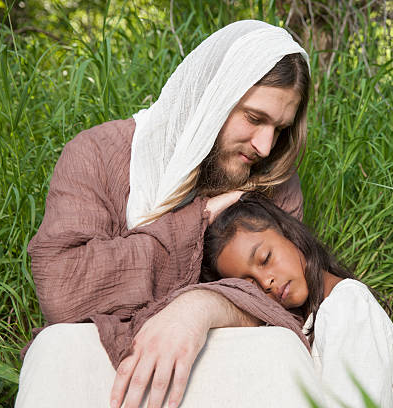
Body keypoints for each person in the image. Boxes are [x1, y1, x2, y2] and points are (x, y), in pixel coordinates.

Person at [16, 20, 318, 408]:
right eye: (254, 119)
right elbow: (64, 290)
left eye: (279, 129)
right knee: (56, 347)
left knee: (280, 349)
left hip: (221, 353)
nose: (264, 145)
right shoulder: (97, 154)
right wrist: (198, 220)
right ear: (214, 97)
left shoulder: (273, 180)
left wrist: (198, 310)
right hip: (105, 355)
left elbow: (285, 302)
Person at [201, 193, 393, 408]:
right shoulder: (306, 327)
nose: (266, 283)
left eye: (265, 258)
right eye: (249, 285)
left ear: (288, 234)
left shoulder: (346, 305)